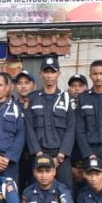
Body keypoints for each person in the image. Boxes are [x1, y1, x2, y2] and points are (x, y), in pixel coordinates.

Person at [25, 56, 75, 186]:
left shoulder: (67, 98)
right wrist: (39, 153)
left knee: (66, 191)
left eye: (52, 72)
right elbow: (29, 128)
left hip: (61, 157)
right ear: (40, 74)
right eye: (46, 72)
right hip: (39, 155)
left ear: (58, 74)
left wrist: (61, 155)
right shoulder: (32, 99)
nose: (49, 76)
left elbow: (71, 128)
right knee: (36, 193)